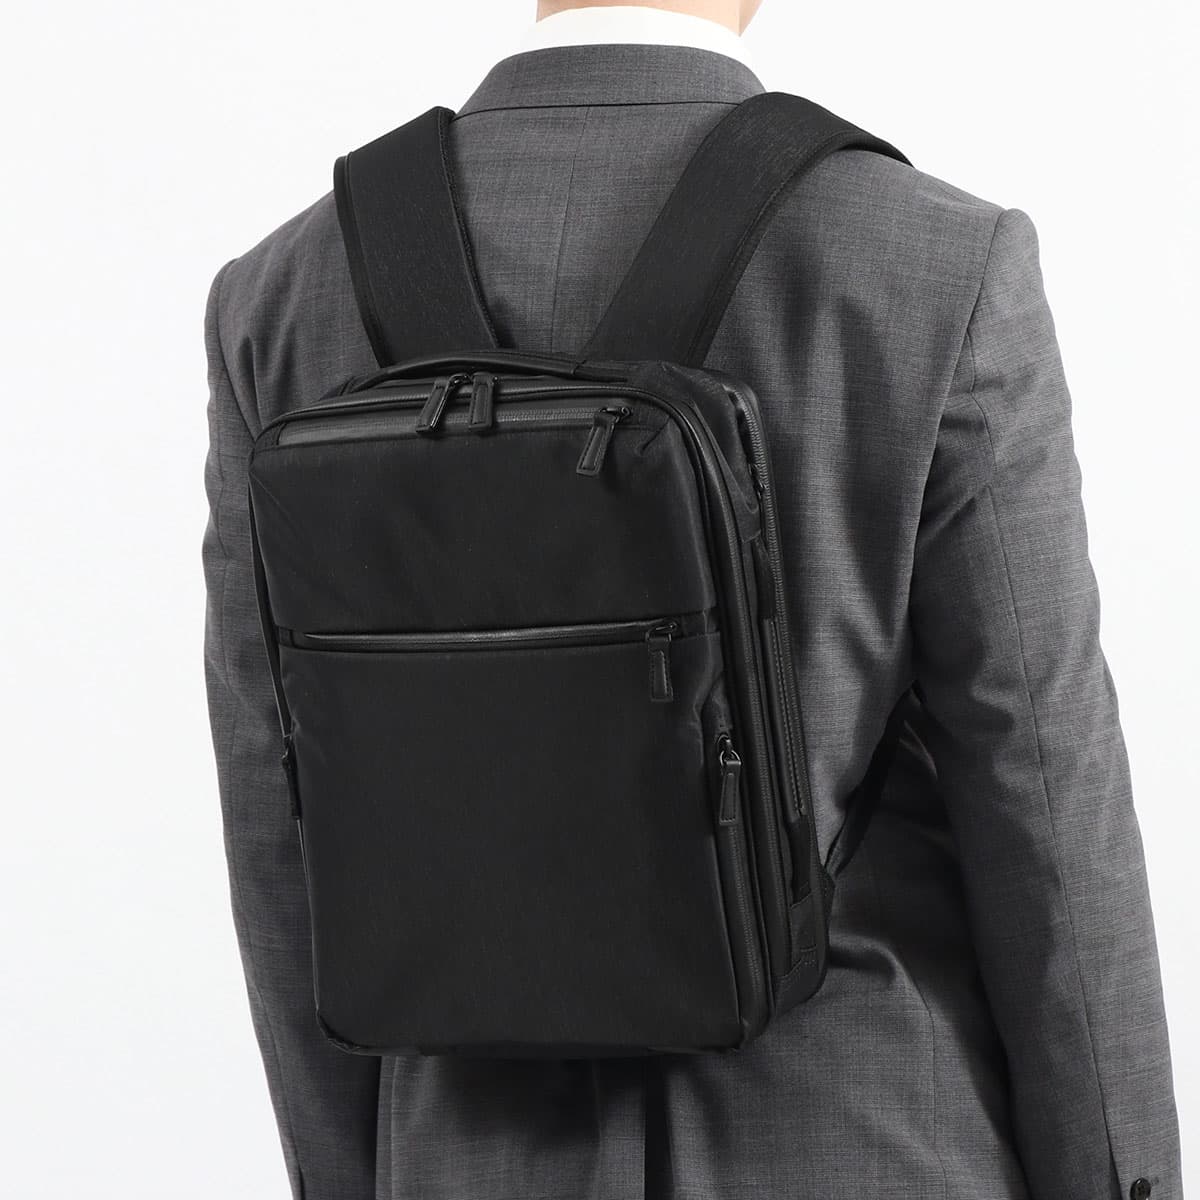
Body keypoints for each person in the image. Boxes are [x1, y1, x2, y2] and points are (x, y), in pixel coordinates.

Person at [202, 2, 1182, 1197]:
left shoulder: (282, 296)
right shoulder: (935, 263)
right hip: (864, 1139)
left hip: (463, 1160)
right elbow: (1043, 785)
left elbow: (278, 815)